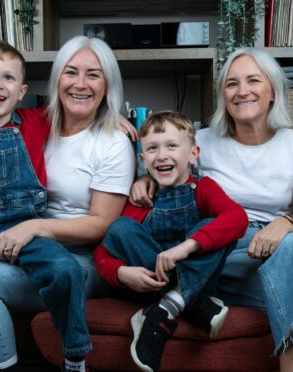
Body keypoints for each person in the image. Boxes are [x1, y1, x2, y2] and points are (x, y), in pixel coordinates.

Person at [0, 35, 136, 371]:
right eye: (71, 72)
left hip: (83, 257)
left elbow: (102, 223)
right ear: (56, 79)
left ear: (108, 84)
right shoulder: (36, 126)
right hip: (19, 241)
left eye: (94, 75)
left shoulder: (112, 142)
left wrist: (32, 227)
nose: (80, 84)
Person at [131, 48, 293, 372]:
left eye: (253, 80)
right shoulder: (203, 141)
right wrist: (145, 179)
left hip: (276, 254)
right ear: (223, 95)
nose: (242, 91)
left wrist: (284, 224)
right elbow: (165, 162)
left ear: (272, 92)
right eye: (232, 84)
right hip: (222, 257)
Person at [93, 111, 248, 372]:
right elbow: (103, 253)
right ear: (143, 160)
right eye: (152, 148)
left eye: (172, 146)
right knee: (120, 228)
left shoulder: (204, 188)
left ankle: (162, 310)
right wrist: (121, 273)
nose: (162, 155)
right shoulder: (141, 200)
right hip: (152, 282)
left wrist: (186, 247)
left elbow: (238, 218)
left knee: (214, 227)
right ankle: (186, 303)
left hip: (199, 277)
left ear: (193, 154)